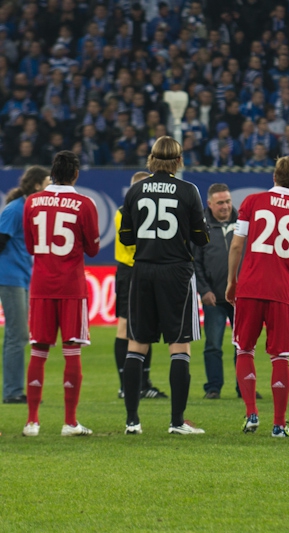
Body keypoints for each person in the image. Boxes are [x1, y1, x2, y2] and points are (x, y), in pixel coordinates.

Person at [119, 136, 210, 435]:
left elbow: (127, 238)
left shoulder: (135, 190)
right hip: (176, 273)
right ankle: (176, 422)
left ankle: (132, 422)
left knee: (137, 345)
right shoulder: (188, 191)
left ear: (152, 159)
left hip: (142, 270)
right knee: (179, 345)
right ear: (178, 160)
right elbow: (201, 237)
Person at [226, 156, 289, 437]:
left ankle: (251, 412)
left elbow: (237, 245)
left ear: (274, 176)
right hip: (282, 292)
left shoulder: (252, 202)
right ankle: (278, 424)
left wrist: (232, 281)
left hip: (250, 288)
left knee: (244, 348)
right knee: (280, 356)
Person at [22, 151, 99, 437]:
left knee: (38, 351)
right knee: (72, 350)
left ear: (51, 173)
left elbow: (30, 247)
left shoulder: (32, 201)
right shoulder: (84, 203)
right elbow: (92, 249)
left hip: (41, 286)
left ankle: (32, 422)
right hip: (70, 287)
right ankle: (70, 422)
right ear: (75, 174)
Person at [193, 183, 260, 400]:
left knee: (244, 345)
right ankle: (213, 387)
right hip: (214, 297)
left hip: (241, 296)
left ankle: (244, 388)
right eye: (220, 202)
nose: (225, 206)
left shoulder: (243, 222)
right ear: (209, 204)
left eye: (228, 201)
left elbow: (252, 256)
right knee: (213, 344)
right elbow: (195, 262)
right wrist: (204, 290)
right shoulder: (200, 226)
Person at [113, 171, 167, 400]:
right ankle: (127, 385)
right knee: (126, 327)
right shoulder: (127, 212)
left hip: (138, 270)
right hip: (131, 270)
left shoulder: (127, 211)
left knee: (146, 326)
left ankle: (142, 384)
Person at [0, 167, 49, 405]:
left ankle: (13, 389)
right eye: (48, 182)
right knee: (17, 335)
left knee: (18, 334)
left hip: (21, 276)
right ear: (38, 185)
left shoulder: (27, 207)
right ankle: (12, 391)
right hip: (10, 278)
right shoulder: (15, 209)